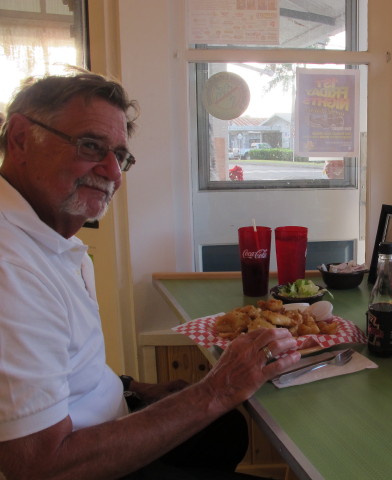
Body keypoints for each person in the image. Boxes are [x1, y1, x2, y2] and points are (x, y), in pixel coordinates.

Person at [0, 71, 301, 479]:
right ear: (20, 138)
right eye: (91, 146)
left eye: (120, 156)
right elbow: (40, 466)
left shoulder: (50, 238)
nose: (113, 173)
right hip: (76, 464)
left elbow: (70, 373)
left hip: (100, 423)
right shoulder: (11, 270)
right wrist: (215, 388)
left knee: (224, 430)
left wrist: (134, 389)